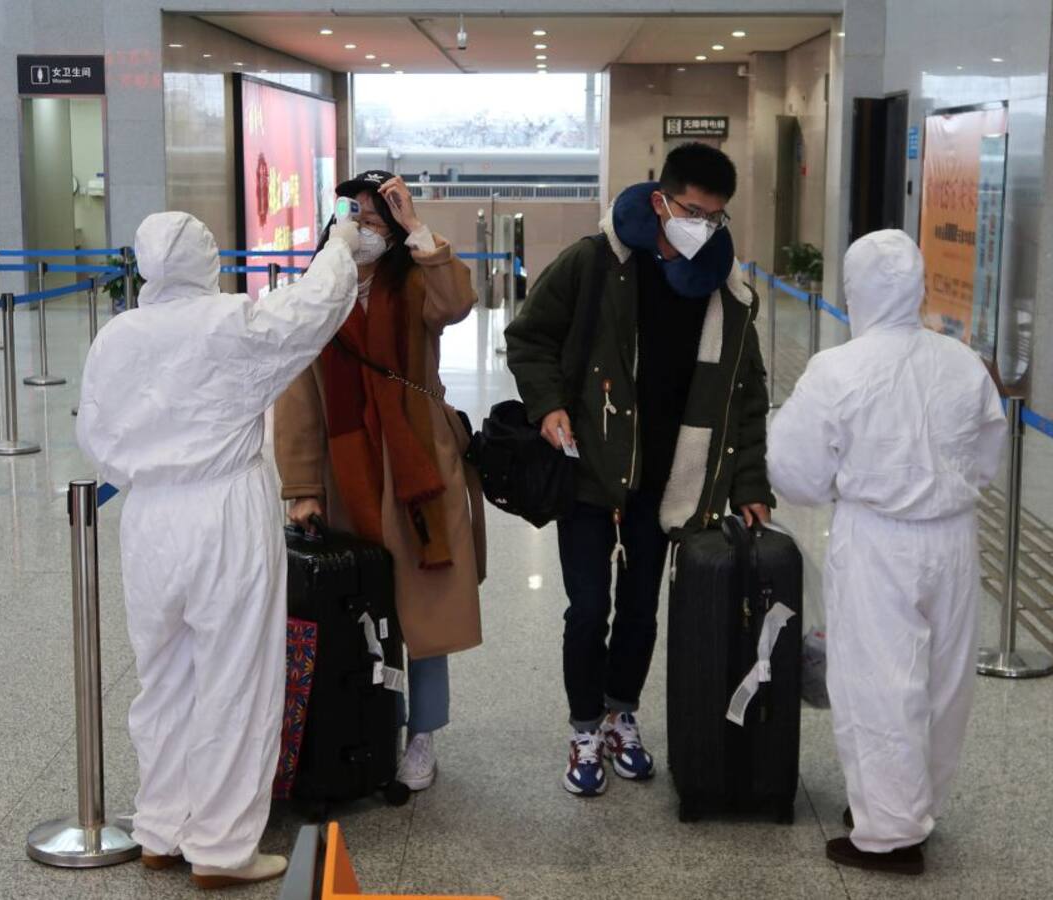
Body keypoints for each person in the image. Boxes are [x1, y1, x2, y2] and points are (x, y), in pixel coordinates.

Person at [76, 211, 360, 888]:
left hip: (149, 519)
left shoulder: (116, 338)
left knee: (163, 677)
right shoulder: (229, 322)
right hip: (225, 508)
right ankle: (222, 847)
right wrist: (343, 245)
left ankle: (160, 828)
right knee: (236, 677)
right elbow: (313, 309)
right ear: (207, 260)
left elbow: (95, 437)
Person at [506, 143, 773, 797]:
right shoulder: (597, 261)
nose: (702, 226)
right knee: (587, 608)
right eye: (691, 211)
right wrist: (548, 405)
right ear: (660, 201)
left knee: (640, 611)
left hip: (669, 479)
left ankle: (621, 715)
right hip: (591, 468)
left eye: (715, 217)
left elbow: (745, 395)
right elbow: (530, 337)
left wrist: (749, 484)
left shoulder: (725, 287)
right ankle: (583, 729)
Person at [767, 229, 1006, 876]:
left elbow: (794, 470)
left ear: (858, 292)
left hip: (878, 540)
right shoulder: (961, 362)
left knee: (878, 684)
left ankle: (890, 834)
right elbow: (988, 452)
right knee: (944, 683)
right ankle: (915, 806)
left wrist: (839, 488)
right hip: (954, 539)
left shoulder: (838, 369)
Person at [275, 172, 485, 792]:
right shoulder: (317, 293)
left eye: (376, 219)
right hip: (348, 472)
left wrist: (418, 228)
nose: (364, 228)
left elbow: (458, 302)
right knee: (362, 608)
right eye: (354, 216)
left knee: (424, 611)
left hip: (419, 465)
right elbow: (297, 400)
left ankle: (423, 733)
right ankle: (371, 725)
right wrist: (303, 488)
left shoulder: (415, 281)